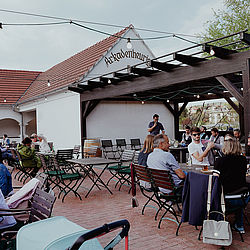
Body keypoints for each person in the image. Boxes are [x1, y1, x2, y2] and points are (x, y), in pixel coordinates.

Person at [214, 134, 249, 233]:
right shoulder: (243, 160)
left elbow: (215, 180)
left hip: (226, 199)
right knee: (238, 192)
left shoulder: (220, 161)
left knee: (216, 193)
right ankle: (240, 225)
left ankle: (220, 224)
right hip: (243, 198)